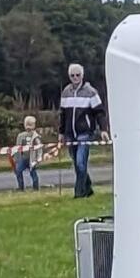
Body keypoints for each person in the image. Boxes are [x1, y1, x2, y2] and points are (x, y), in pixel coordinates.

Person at [57, 62, 108, 198]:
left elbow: (100, 112)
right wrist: (61, 132)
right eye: (72, 75)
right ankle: (88, 188)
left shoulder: (91, 92)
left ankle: (79, 193)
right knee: (77, 164)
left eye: (77, 75)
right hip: (70, 134)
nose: (75, 77)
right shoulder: (66, 92)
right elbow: (62, 114)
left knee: (80, 163)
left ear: (82, 75)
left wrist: (103, 130)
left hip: (85, 133)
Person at [13, 115, 43, 191]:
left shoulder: (35, 136)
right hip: (24, 158)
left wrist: (38, 157)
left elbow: (39, 147)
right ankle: (21, 187)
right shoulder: (21, 136)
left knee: (32, 172)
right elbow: (18, 148)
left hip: (31, 158)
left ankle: (34, 188)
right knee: (19, 171)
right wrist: (17, 159)